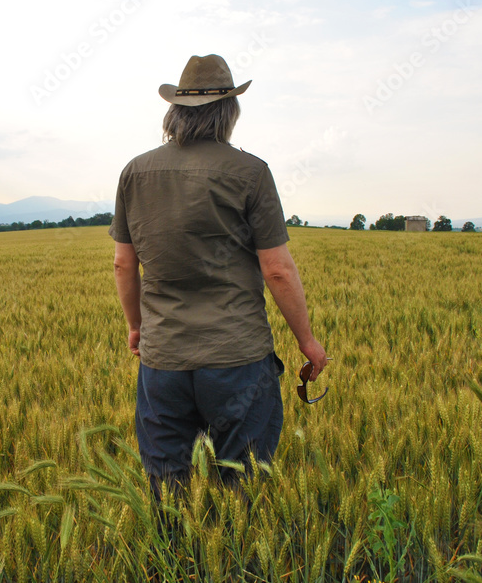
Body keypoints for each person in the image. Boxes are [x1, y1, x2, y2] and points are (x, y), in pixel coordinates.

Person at [108, 54, 329, 503]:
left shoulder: (135, 172)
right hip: (237, 358)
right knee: (243, 490)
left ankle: (172, 567)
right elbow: (278, 269)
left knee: (167, 487)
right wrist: (306, 340)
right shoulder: (250, 173)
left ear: (176, 111)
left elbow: (123, 264)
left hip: (163, 359)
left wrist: (136, 327)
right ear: (229, 112)